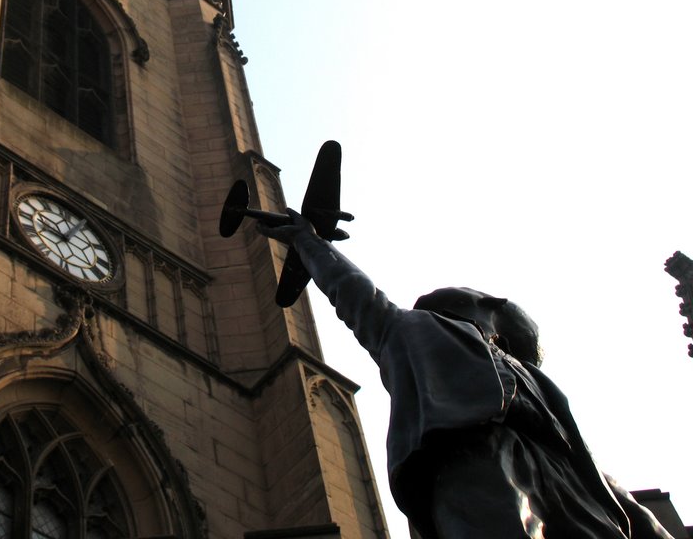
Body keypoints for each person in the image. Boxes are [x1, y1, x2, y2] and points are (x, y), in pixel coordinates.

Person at [260, 209, 673, 539]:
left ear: (500, 329)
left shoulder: (534, 382)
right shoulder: (415, 331)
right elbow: (355, 294)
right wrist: (308, 241)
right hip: (472, 459)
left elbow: (596, 475)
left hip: (564, 483)